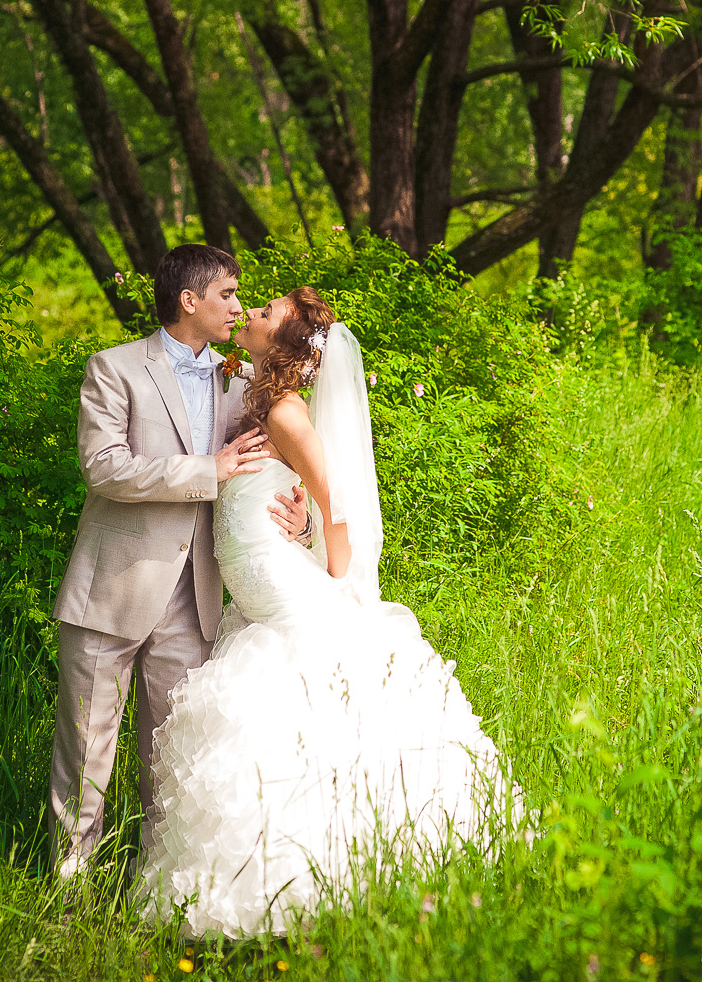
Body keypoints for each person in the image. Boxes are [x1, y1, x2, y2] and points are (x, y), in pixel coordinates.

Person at [140, 286, 517, 938]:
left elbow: (339, 503)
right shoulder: (257, 398)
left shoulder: (287, 412)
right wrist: (305, 516)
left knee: (306, 723)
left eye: (266, 315)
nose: (251, 315)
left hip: (287, 595)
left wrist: (331, 565)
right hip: (256, 594)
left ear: (283, 344)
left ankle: (334, 881)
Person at [49, 244, 313, 880]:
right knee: (86, 753)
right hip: (113, 588)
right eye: (228, 294)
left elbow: (276, 475)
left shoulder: (243, 381)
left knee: (171, 759)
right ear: (189, 301)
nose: (240, 306)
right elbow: (104, 467)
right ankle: (68, 888)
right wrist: (208, 470)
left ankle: (159, 888)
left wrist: (298, 522)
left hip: (194, 600)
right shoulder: (113, 369)